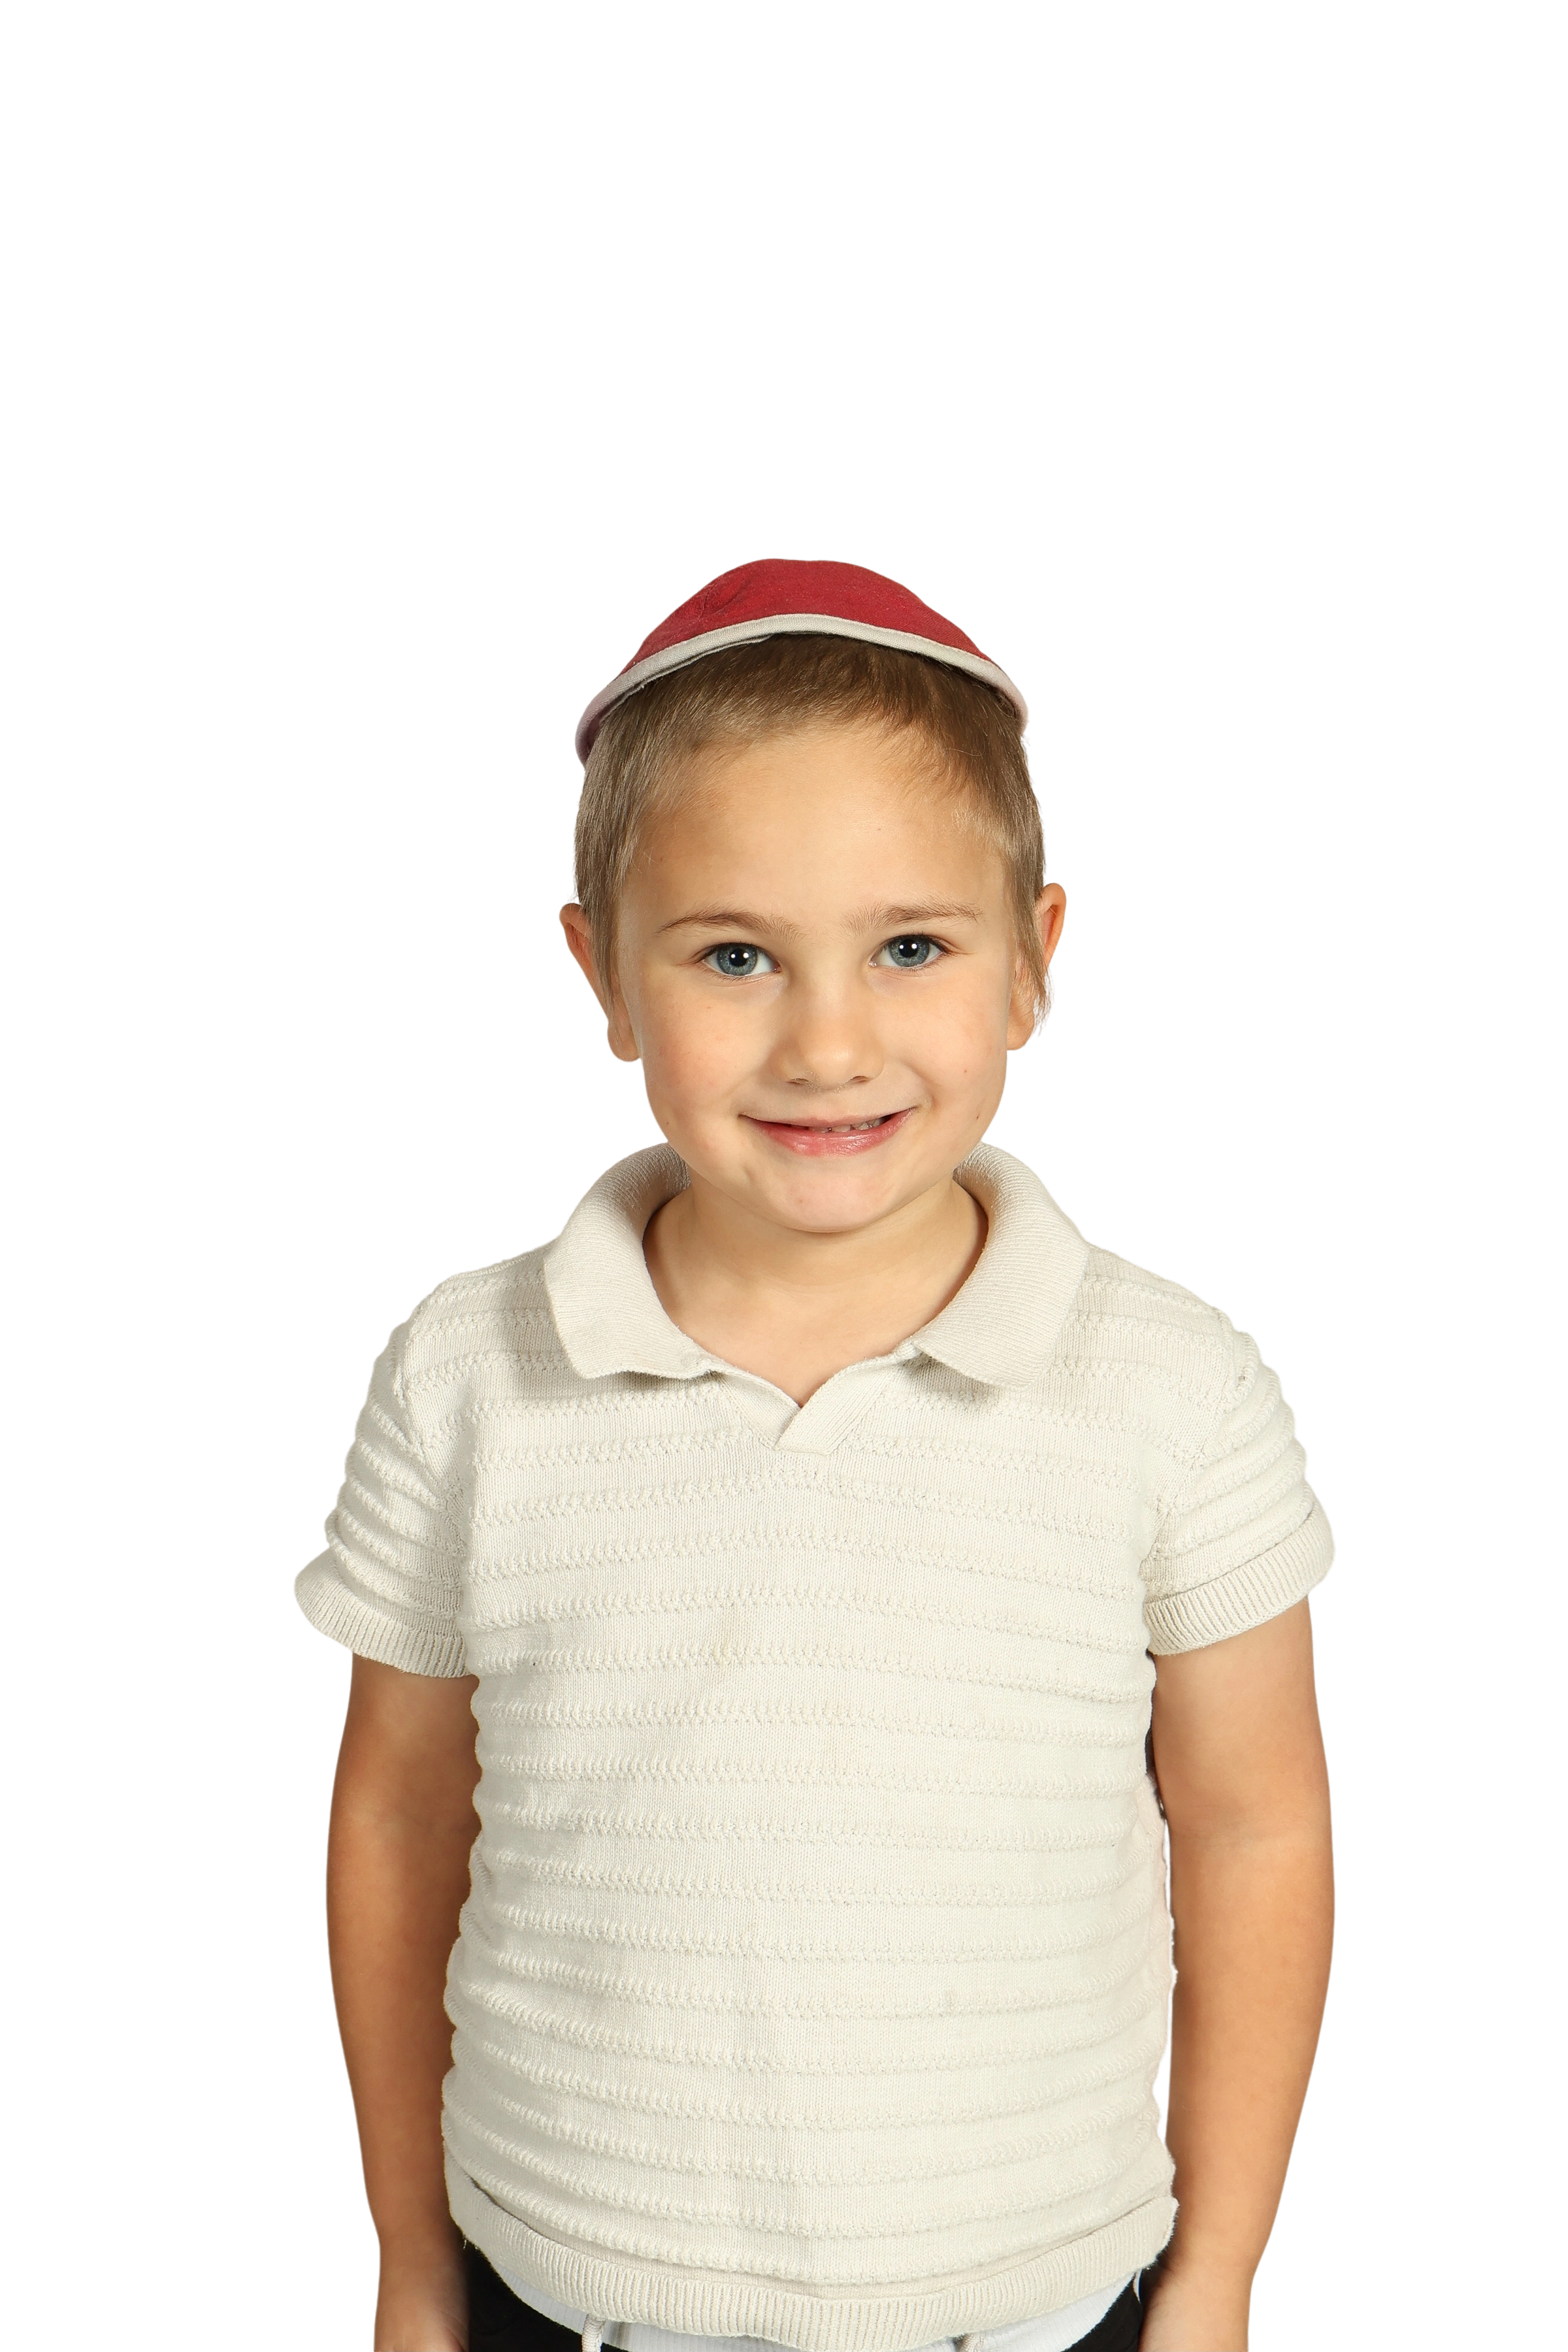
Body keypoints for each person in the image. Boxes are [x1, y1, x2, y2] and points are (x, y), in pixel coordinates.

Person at [295, 557, 1338, 2352]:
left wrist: (1221, 2282)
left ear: (1037, 957)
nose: (829, 1042)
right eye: (734, 956)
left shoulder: (1166, 1385)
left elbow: (1252, 1826)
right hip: (569, 2289)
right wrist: (406, 2263)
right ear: (600, 974)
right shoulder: (471, 1372)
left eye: (910, 947)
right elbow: (397, 1814)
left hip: (1030, 2302)